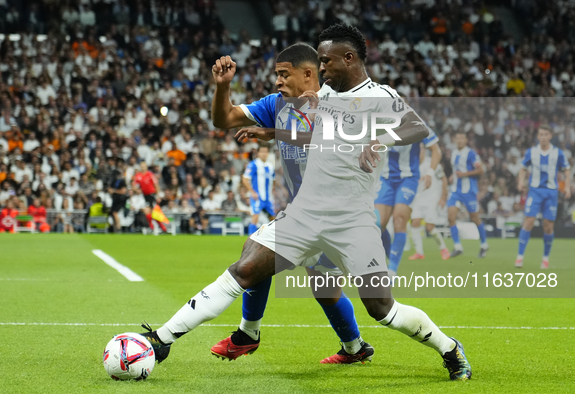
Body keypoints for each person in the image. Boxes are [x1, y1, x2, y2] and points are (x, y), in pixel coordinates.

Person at [140, 24, 471, 381]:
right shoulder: (322, 96)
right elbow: (315, 133)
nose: (322, 68)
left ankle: (449, 348)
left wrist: (379, 140)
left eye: (326, 61)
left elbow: (416, 127)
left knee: (380, 308)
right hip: (305, 214)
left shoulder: (379, 96)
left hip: (353, 221)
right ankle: (162, 340)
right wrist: (271, 132)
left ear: (350, 58)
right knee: (246, 268)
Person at [209, 42, 374, 364]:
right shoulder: (277, 104)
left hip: (336, 212)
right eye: (277, 75)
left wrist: (275, 133)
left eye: (284, 74)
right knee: (315, 285)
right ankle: (354, 348)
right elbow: (224, 119)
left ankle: (248, 335)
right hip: (306, 213)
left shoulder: (339, 103)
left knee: (268, 268)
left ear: (308, 73)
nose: (277, 81)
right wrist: (223, 87)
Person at [375, 119, 443, 275]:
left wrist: (430, 173)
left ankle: (392, 271)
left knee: (399, 219)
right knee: (378, 224)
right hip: (385, 178)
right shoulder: (379, 121)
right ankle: (388, 257)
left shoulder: (417, 123)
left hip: (408, 178)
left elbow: (436, 150)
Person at [515, 125, 571, 269]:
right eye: (541, 134)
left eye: (546, 134)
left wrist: (567, 187)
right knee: (528, 221)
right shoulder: (532, 152)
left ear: (550, 136)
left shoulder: (557, 153)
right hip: (535, 191)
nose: (544, 137)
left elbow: (567, 170)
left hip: (551, 192)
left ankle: (545, 258)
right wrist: (521, 181)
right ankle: (520, 257)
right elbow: (523, 168)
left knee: (548, 227)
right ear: (538, 136)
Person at [447, 131, 488, 258]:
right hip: (455, 191)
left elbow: (481, 170)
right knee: (451, 217)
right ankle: (458, 246)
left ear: (466, 141)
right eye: (457, 138)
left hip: (469, 191)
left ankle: (484, 245)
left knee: (475, 218)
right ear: (454, 140)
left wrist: (464, 174)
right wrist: (452, 176)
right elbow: (456, 170)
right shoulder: (454, 153)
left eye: (461, 138)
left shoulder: (471, 153)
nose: (459, 140)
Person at [408, 143, 450, 260]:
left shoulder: (432, 164)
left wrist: (442, 198)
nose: (419, 152)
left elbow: (444, 179)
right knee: (415, 222)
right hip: (418, 199)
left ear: (424, 151)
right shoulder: (412, 164)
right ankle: (419, 253)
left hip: (432, 199)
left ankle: (443, 249)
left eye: (421, 150)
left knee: (430, 227)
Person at [243, 144, 275, 235]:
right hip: (257, 197)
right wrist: (252, 192)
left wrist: (275, 189)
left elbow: (274, 180)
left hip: (268, 198)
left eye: (266, 152)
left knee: (273, 218)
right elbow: (245, 179)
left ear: (268, 153)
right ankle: (251, 239)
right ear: (258, 153)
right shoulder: (253, 164)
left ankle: (272, 238)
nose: (264, 154)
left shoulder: (270, 166)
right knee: (255, 217)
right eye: (262, 152)